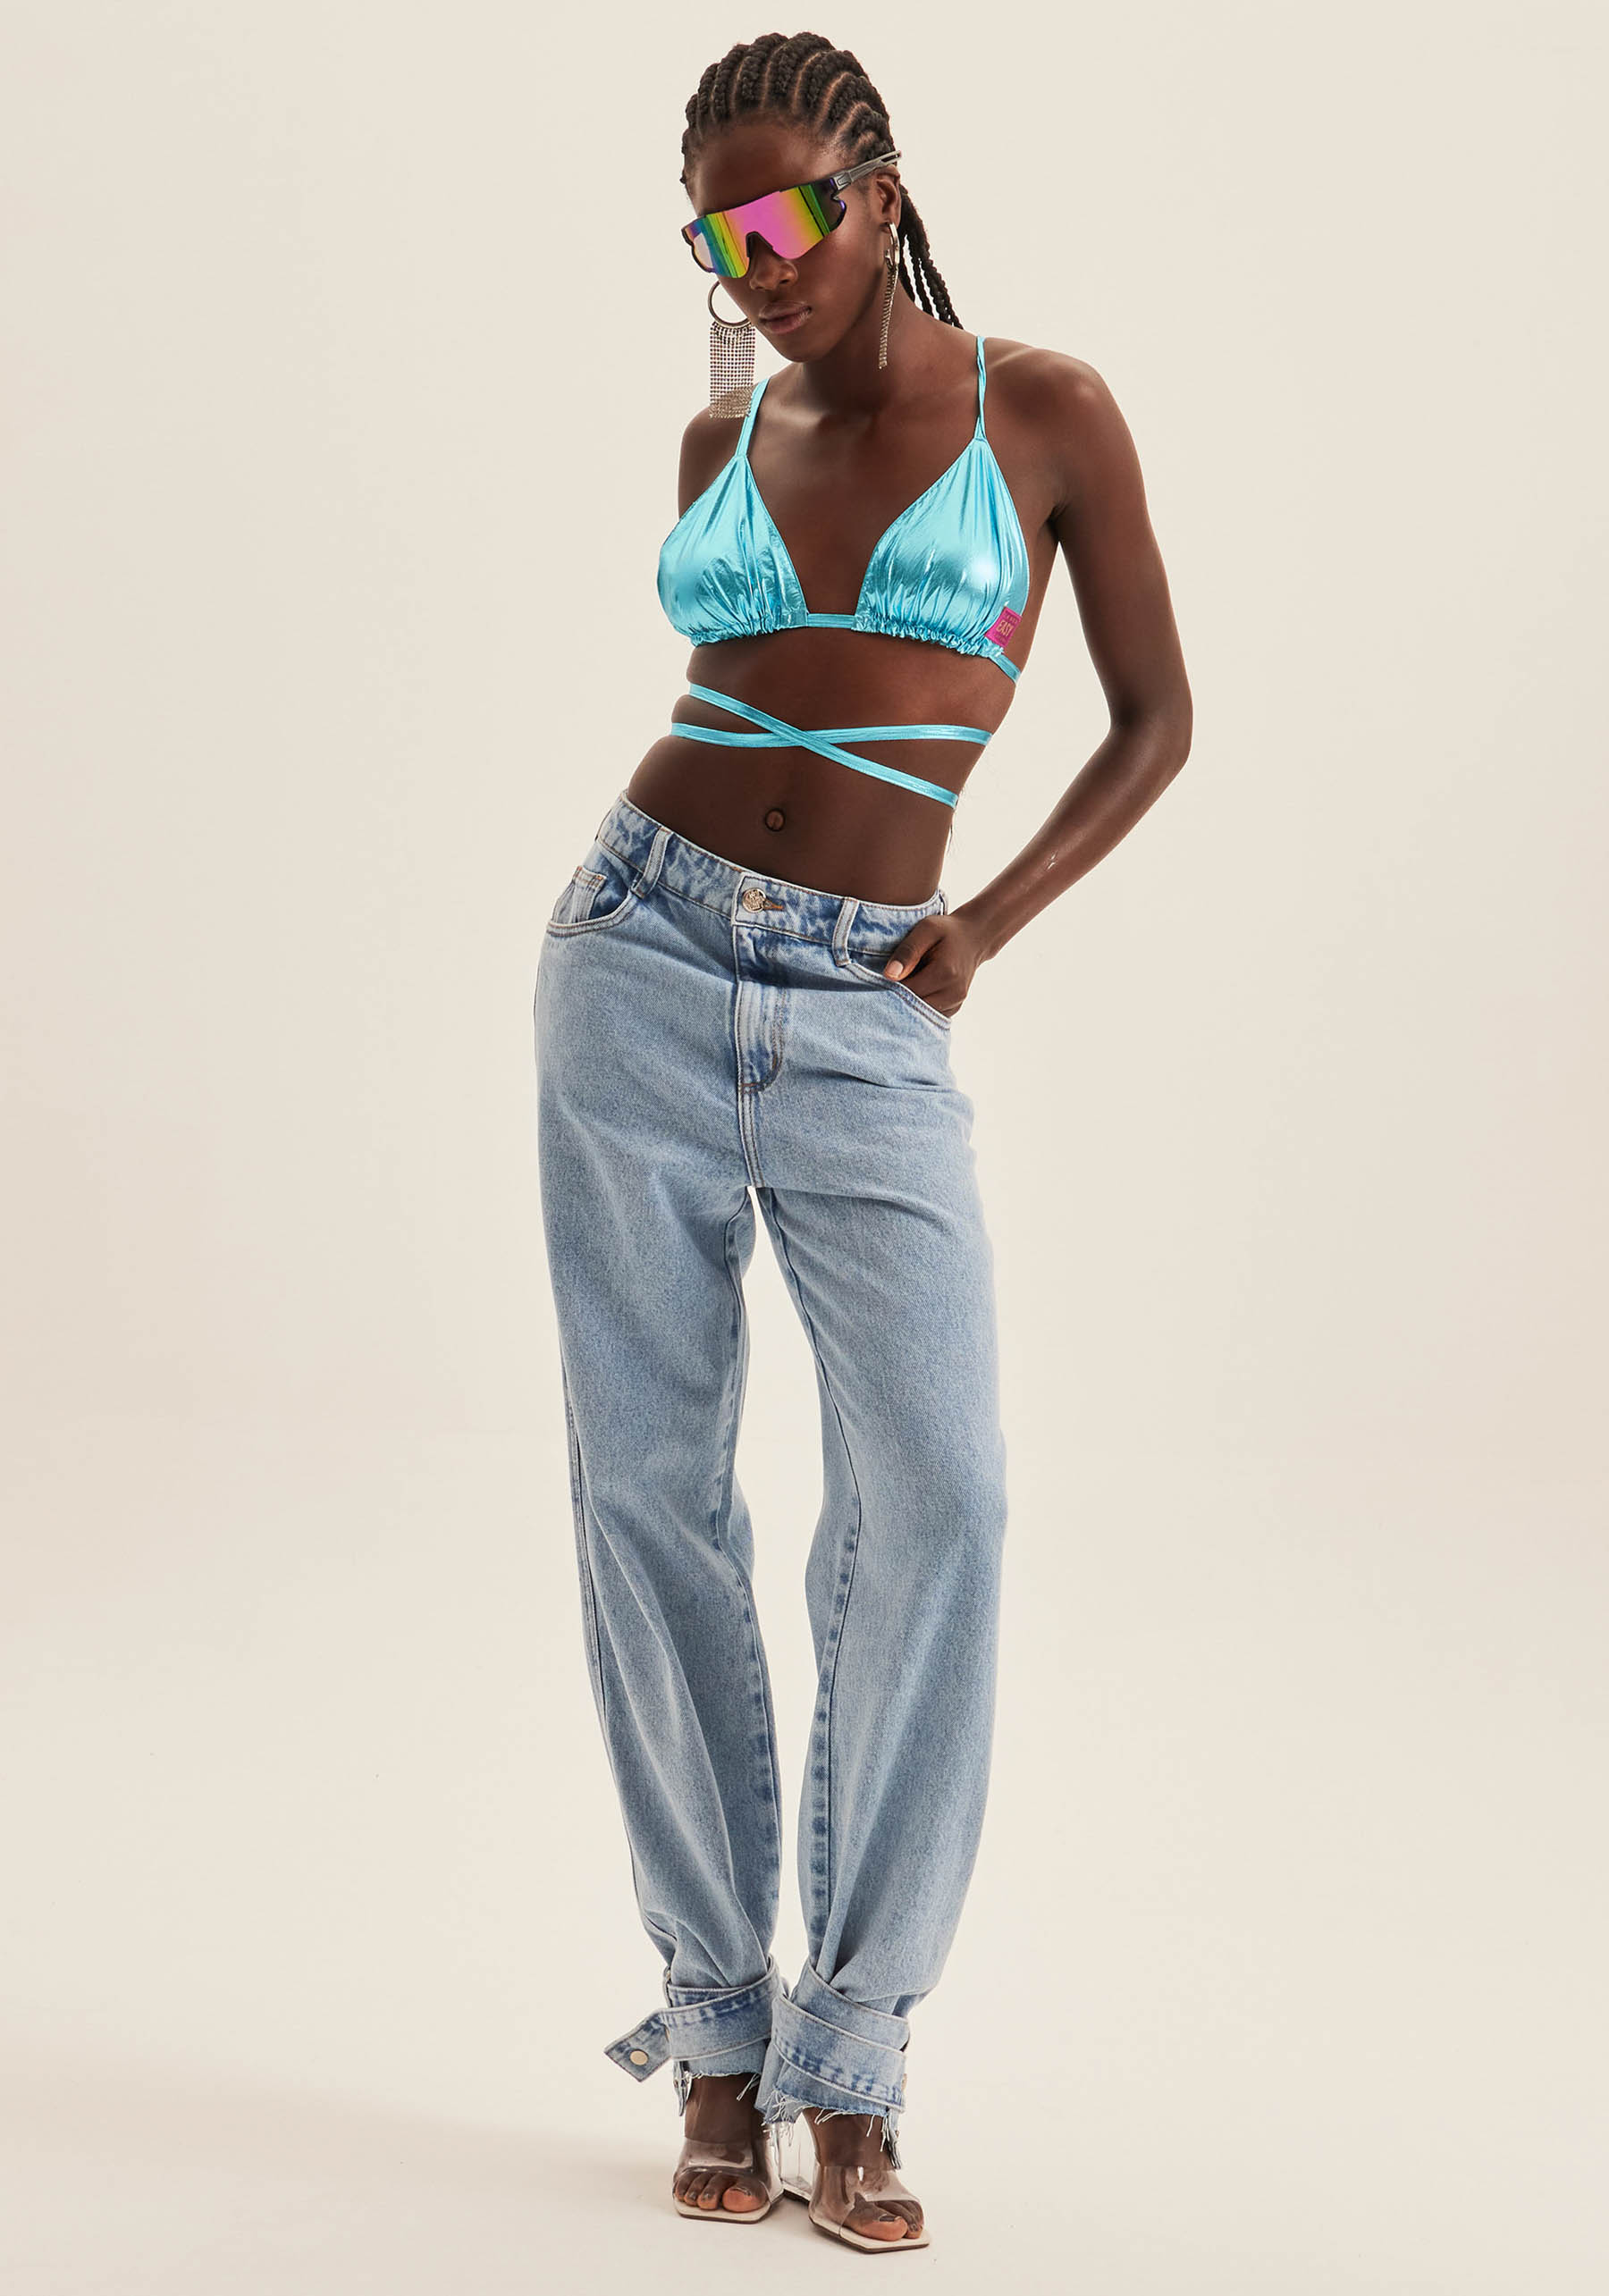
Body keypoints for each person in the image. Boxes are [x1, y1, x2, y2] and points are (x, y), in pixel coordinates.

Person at [533, 30, 1192, 2253]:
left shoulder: (1049, 411)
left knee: (944, 1498)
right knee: (648, 1491)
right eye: (720, 232)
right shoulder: (718, 433)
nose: (763, 258)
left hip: (869, 1000)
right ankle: (719, 2022)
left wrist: (982, 924)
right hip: (633, 953)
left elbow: (1158, 716)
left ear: (882, 190)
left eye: (795, 209)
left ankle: (859, 2048)